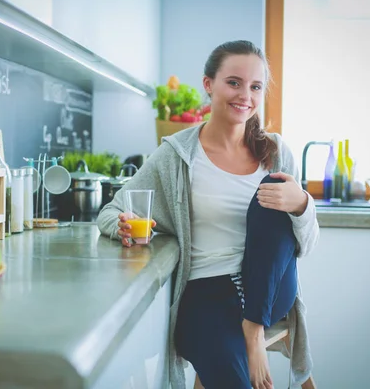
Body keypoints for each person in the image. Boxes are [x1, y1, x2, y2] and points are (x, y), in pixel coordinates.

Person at [97, 40, 319, 389]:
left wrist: (302, 203)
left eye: (255, 86)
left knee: (272, 197)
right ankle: (249, 332)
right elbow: (112, 211)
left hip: (272, 290)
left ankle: (253, 328)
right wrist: (123, 227)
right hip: (208, 291)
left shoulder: (275, 152)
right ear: (208, 84)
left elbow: (305, 241)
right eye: (233, 82)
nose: (245, 94)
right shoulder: (176, 156)